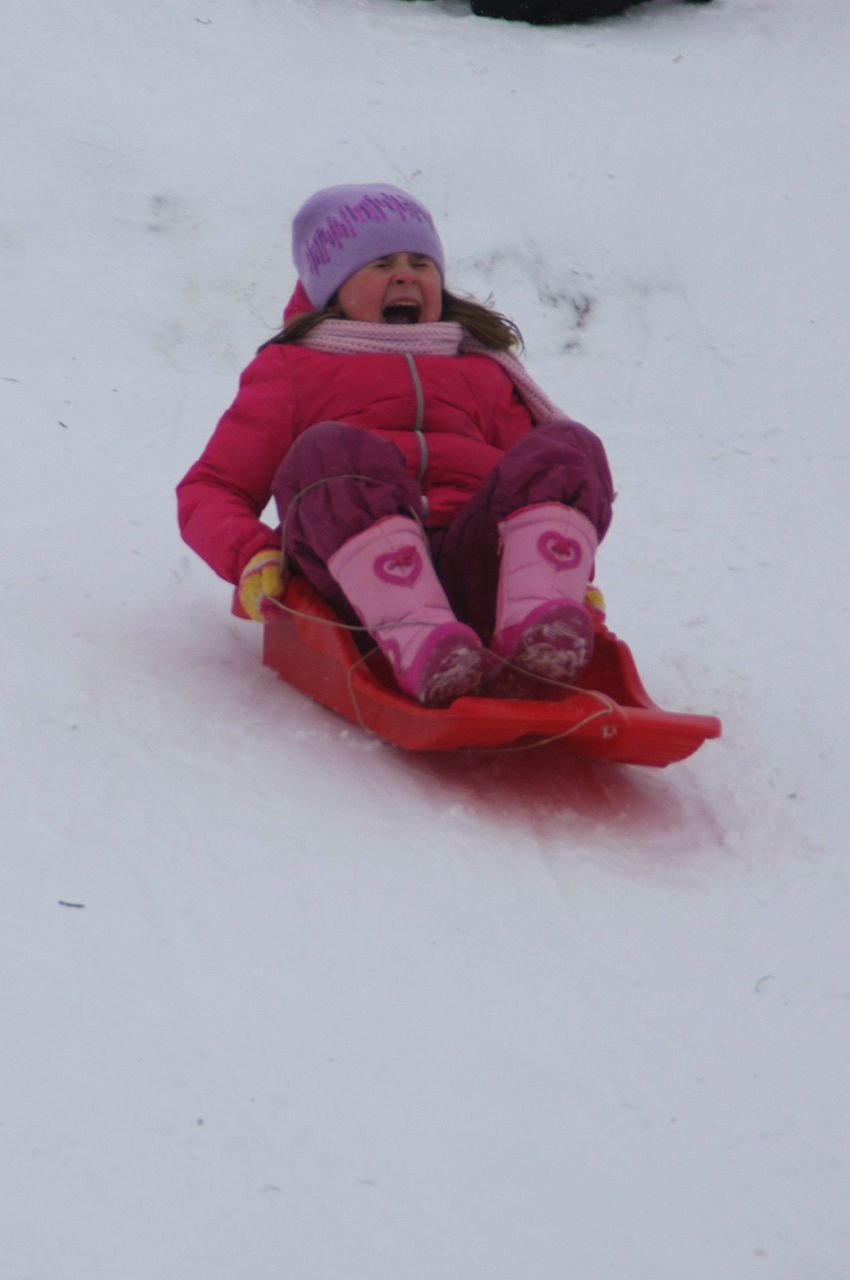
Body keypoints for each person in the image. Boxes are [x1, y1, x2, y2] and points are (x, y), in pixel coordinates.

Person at [177, 183, 614, 707]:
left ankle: (535, 623)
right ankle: (421, 643)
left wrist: (567, 576)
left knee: (565, 446)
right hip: (353, 577)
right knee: (329, 452)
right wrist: (253, 553)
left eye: (420, 263)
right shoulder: (292, 370)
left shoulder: (482, 370)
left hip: (476, 562)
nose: (405, 274)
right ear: (333, 288)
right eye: (381, 263)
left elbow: (537, 489)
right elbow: (212, 487)